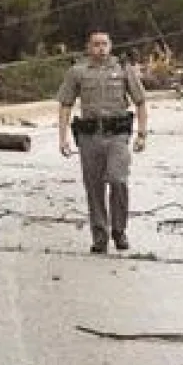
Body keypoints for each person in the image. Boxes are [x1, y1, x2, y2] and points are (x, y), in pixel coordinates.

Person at [57, 31, 149, 254]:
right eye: (96, 44)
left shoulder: (123, 69)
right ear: (88, 47)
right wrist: (63, 138)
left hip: (117, 135)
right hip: (90, 136)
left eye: (104, 44)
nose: (100, 48)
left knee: (118, 180)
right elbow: (65, 105)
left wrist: (142, 134)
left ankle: (119, 230)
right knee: (94, 187)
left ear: (111, 45)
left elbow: (140, 101)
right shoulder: (77, 72)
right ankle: (100, 235)